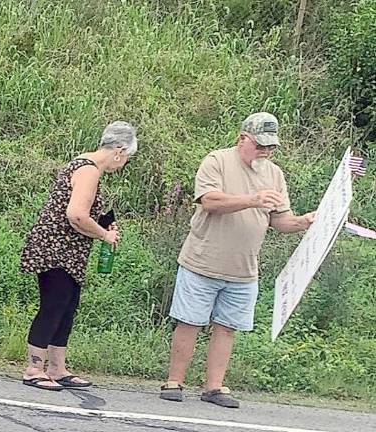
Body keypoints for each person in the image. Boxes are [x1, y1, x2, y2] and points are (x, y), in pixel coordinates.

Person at [159, 112, 315, 408]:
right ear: (243, 138)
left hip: (244, 268)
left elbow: (280, 221)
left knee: (228, 327)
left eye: (271, 147)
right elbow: (210, 201)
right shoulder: (217, 161)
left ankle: (214, 387)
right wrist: (253, 199)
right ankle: (174, 380)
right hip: (202, 260)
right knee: (189, 321)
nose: (265, 152)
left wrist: (305, 222)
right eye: (260, 146)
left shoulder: (275, 174)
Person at [19, 121, 136, 391]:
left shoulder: (83, 164)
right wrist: (104, 235)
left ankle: (57, 368)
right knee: (54, 305)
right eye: (127, 158)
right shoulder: (89, 171)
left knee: (67, 306)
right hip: (57, 249)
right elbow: (76, 214)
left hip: (68, 250)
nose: (124, 164)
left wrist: (104, 221)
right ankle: (34, 367)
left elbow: (83, 208)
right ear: (118, 151)